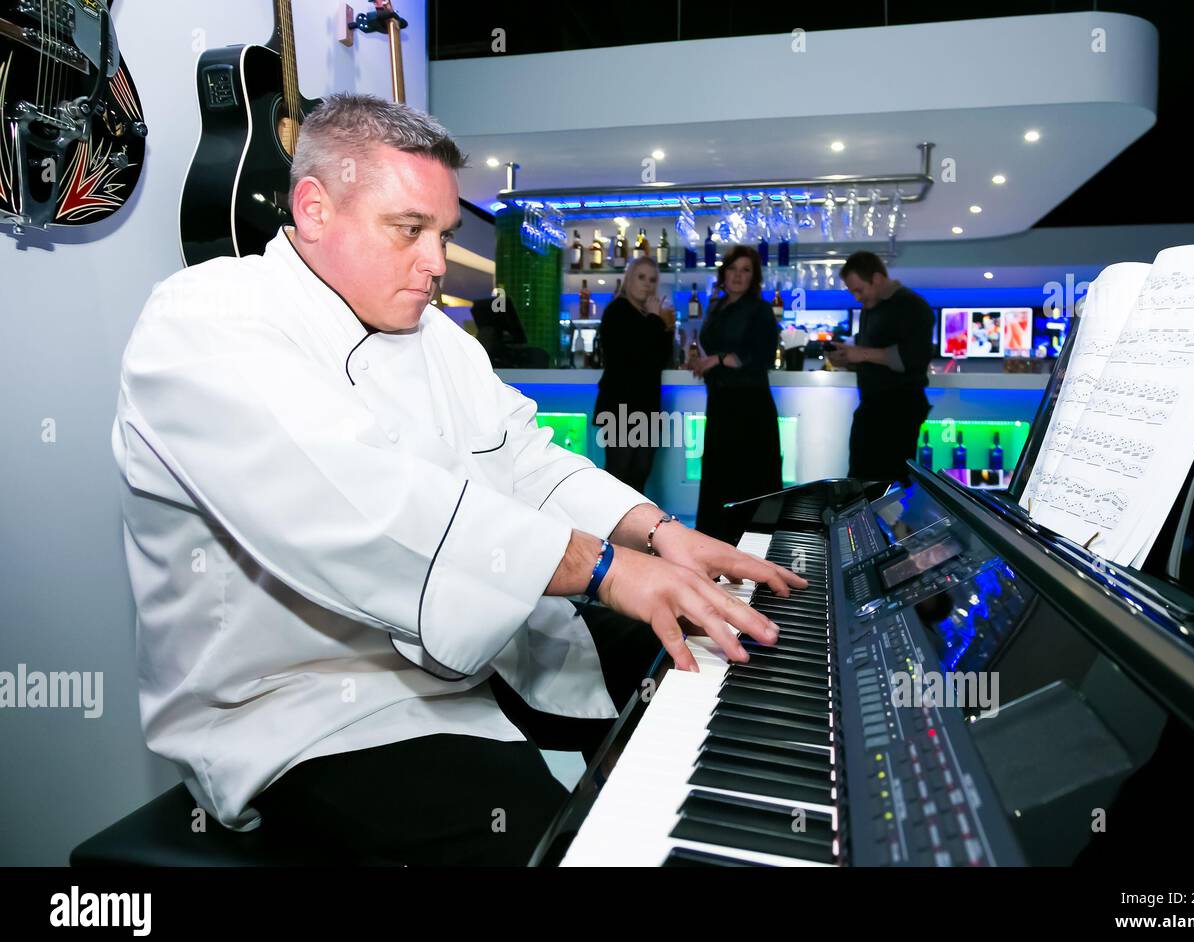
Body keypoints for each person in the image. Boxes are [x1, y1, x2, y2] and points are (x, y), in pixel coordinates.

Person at [110, 94, 805, 866]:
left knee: (707, 650)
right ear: (313, 208)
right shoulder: (206, 320)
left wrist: (661, 535)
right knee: (542, 838)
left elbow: (525, 460)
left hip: (473, 645)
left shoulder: (435, 337)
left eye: (441, 234)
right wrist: (607, 570)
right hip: (306, 705)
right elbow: (365, 513)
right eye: (409, 230)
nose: (438, 263)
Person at [689, 245, 783, 539]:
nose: (738, 276)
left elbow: (762, 356)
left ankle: (750, 550)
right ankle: (714, 547)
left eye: (746, 270)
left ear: (754, 276)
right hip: (720, 401)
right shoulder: (717, 306)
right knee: (719, 477)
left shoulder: (759, 309)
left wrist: (717, 359)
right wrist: (703, 361)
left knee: (750, 480)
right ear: (723, 272)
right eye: (733, 268)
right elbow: (715, 349)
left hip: (749, 404)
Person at [827, 251, 934, 483]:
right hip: (873, 406)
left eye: (859, 290)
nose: (857, 297)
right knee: (861, 479)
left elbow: (912, 358)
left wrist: (861, 353)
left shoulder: (912, 305)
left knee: (886, 483)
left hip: (898, 409)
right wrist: (848, 358)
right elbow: (874, 357)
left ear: (876, 279)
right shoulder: (870, 308)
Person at [593, 257, 675, 492]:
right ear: (629, 279)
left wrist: (666, 326)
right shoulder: (616, 311)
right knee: (619, 475)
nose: (647, 284)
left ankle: (634, 529)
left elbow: (660, 360)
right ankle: (607, 529)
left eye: (652, 279)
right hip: (621, 405)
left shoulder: (648, 316)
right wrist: (655, 319)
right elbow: (632, 357)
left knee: (640, 475)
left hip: (647, 405)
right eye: (641, 277)